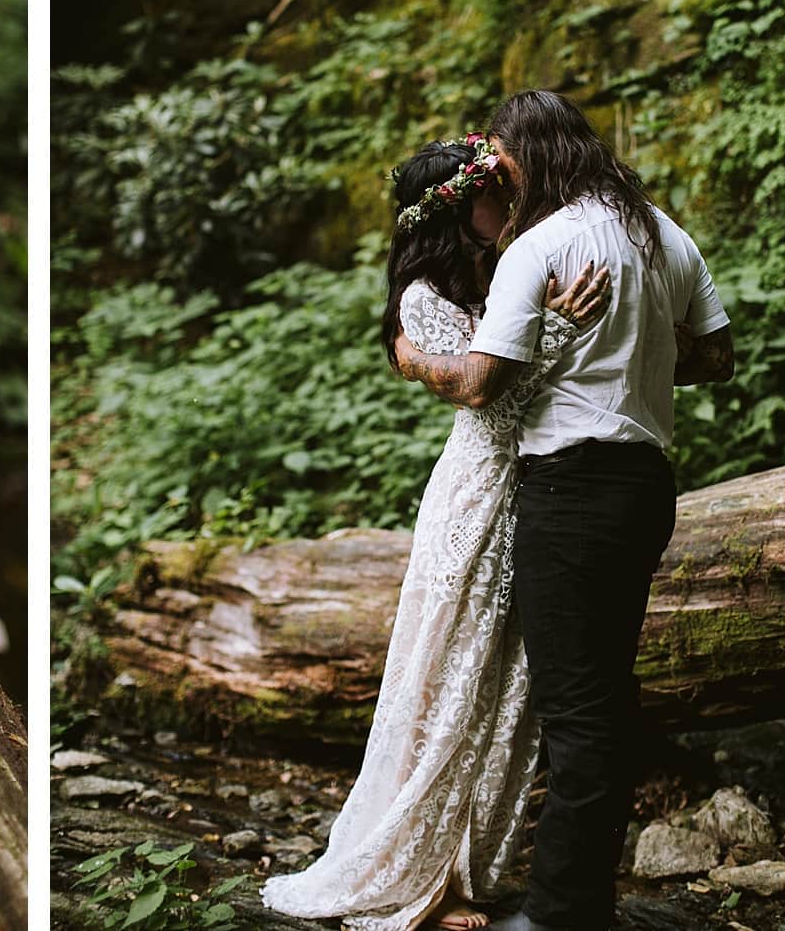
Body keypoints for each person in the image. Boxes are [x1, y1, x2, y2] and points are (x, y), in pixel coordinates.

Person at [389, 91, 735, 931]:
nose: (496, 182)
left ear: (533, 156)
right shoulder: (664, 231)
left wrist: (410, 361)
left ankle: (559, 914)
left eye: (501, 164)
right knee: (604, 696)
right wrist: (634, 356)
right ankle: (574, 900)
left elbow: (476, 381)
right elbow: (718, 357)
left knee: (578, 709)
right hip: (646, 489)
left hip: (570, 490)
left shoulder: (540, 246)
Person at [262, 133, 612, 930]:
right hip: (476, 498)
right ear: (457, 208)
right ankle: (422, 877)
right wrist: (557, 330)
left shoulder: (503, 266)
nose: (508, 201)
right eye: (493, 190)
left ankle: (466, 861)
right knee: (446, 679)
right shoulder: (425, 296)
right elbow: (490, 400)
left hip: (533, 492)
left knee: (500, 688)